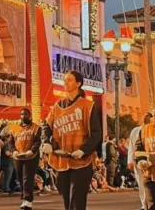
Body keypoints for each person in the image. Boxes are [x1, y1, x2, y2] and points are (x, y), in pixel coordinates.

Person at [42, 70, 102, 210]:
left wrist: (84, 150)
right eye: (64, 80)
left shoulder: (87, 105)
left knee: (78, 197)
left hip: (81, 159)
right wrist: (47, 142)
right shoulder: (57, 106)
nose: (65, 83)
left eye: (69, 80)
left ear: (78, 83)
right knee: (65, 195)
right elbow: (46, 125)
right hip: (62, 158)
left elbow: (96, 133)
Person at [12, 107, 41, 210]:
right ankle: (24, 197)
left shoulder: (36, 128)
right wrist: (13, 151)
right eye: (22, 114)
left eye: (25, 114)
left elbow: (37, 142)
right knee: (20, 177)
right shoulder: (14, 128)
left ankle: (28, 201)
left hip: (31, 157)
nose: (23, 116)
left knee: (27, 178)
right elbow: (10, 142)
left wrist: (32, 151)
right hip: (18, 157)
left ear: (30, 116)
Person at [129, 112, 152, 210]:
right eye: (143, 115)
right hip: (138, 160)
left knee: (150, 183)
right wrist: (130, 160)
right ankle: (144, 204)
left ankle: (152, 203)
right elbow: (131, 146)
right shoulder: (135, 130)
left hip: (150, 160)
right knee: (141, 183)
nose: (144, 117)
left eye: (147, 115)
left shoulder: (153, 130)